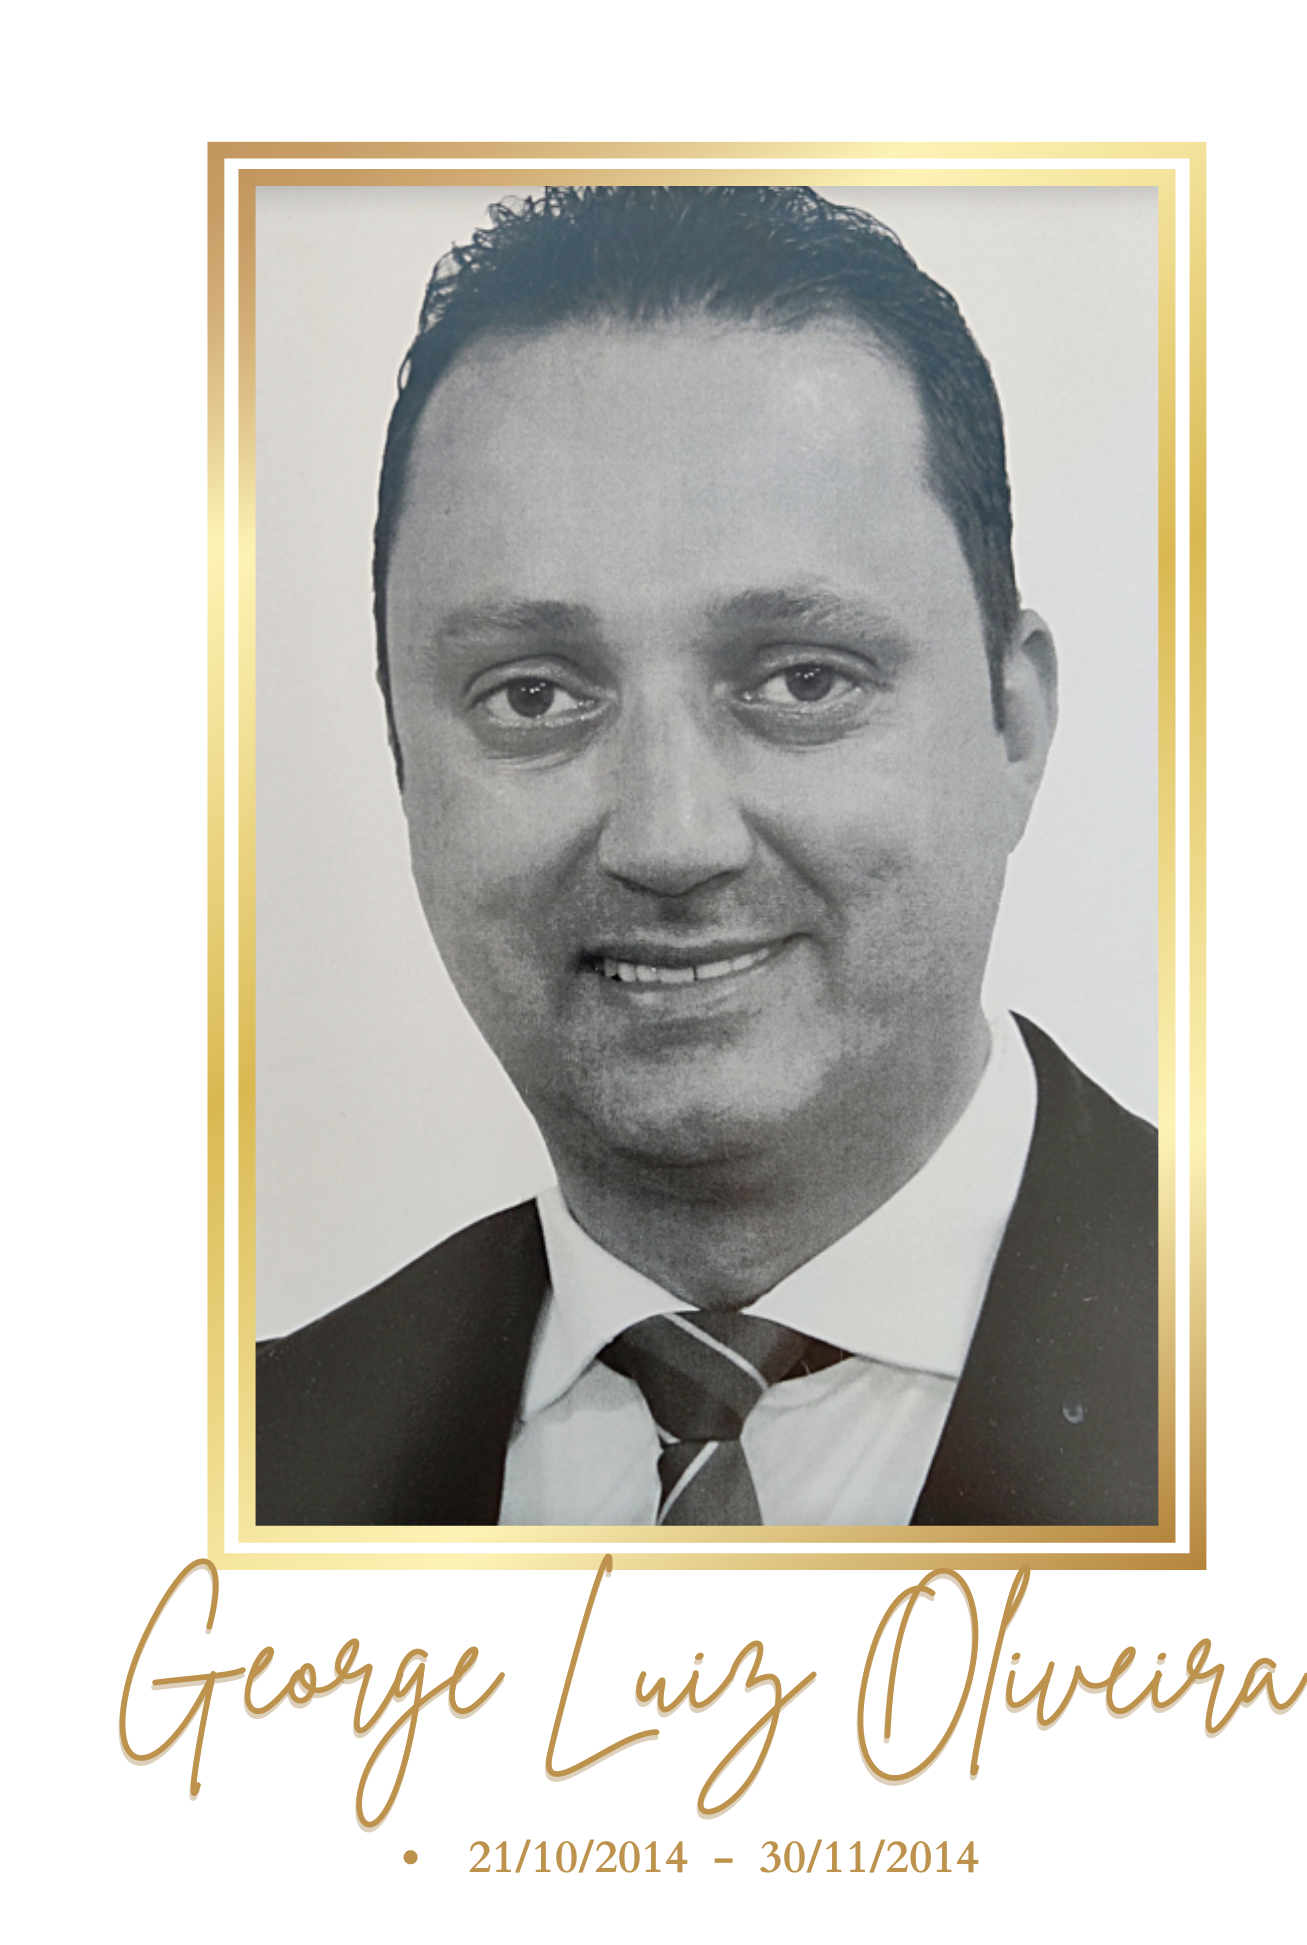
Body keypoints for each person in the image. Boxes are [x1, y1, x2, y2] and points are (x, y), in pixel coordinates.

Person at [256, 185, 1157, 1531]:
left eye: (802, 680)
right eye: (533, 696)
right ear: (403, 762)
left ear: (1012, 724)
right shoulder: (220, 1468)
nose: (670, 839)